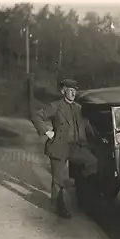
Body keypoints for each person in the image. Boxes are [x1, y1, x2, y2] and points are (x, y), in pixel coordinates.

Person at [31, 79, 104, 219]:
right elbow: (36, 115)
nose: (72, 92)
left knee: (91, 162)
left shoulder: (78, 108)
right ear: (62, 91)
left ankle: (83, 197)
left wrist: (99, 138)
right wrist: (47, 131)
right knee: (59, 179)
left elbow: (87, 125)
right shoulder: (55, 106)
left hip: (76, 147)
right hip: (59, 146)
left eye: (74, 90)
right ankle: (59, 206)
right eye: (69, 89)